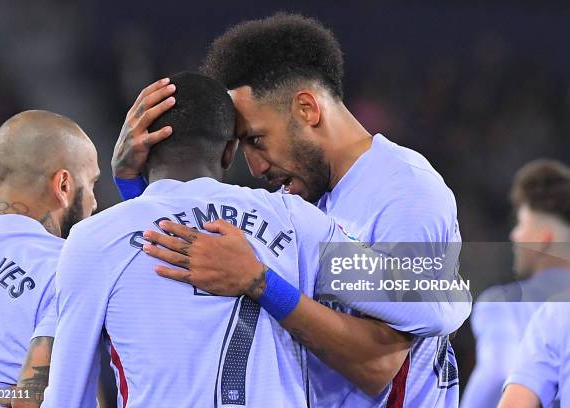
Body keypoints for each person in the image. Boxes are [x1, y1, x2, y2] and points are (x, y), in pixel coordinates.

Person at [113, 13, 472, 408]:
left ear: (306, 109)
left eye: (256, 139)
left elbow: (379, 367)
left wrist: (262, 284)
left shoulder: (404, 192)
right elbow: (194, 264)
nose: (255, 167)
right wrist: (133, 185)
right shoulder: (297, 200)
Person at [42, 72, 420, 408]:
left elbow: (66, 394)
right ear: (229, 151)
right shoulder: (292, 218)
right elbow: (417, 299)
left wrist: (127, 181)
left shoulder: (94, 241)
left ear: (142, 150)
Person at [0, 110, 99, 408]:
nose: (94, 202)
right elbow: (31, 399)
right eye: (92, 184)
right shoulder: (70, 266)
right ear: (63, 186)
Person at [462, 159, 570, 408]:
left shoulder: (504, 304)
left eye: (521, 224)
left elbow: (497, 373)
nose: (514, 235)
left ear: (544, 240)